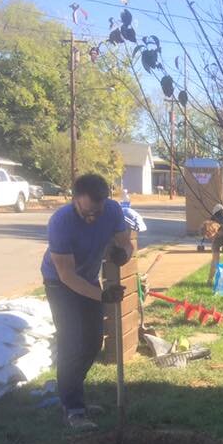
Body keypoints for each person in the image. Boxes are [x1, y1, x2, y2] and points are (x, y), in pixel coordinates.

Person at [40, 173, 135, 430]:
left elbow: (126, 243)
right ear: (74, 200)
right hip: (60, 284)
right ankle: (73, 408)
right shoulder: (61, 222)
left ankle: (72, 392)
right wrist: (102, 296)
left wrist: (122, 254)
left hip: (89, 279)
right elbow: (67, 275)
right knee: (72, 342)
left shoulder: (112, 210)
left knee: (93, 341)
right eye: (86, 212)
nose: (91, 217)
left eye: (96, 211)